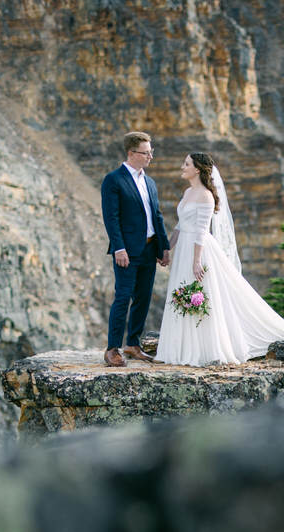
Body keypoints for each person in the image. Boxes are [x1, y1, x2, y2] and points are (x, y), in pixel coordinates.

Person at [155, 152, 284, 366]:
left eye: (187, 164)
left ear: (197, 169)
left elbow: (201, 231)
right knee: (181, 293)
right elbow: (180, 226)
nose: (182, 167)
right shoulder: (188, 192)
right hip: (183, 249)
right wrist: (167, 250)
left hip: (198, 251)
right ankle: (181, 349)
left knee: (199, 295)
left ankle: (203, 350)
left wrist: (196, 261)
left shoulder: (206, 196)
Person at [100, 131, 171, 367]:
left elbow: (157, 216)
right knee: (122, 297)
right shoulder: (114, 180)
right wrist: (118, 248)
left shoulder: (149, 181)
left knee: (143, 298)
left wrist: (164, 247)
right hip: (127, 252)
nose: (151, 156)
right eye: (146, 152)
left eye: (151, 151)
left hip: (150, 250)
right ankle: (112, 349)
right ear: (131, 153)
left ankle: (133, 344)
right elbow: (112, 218)